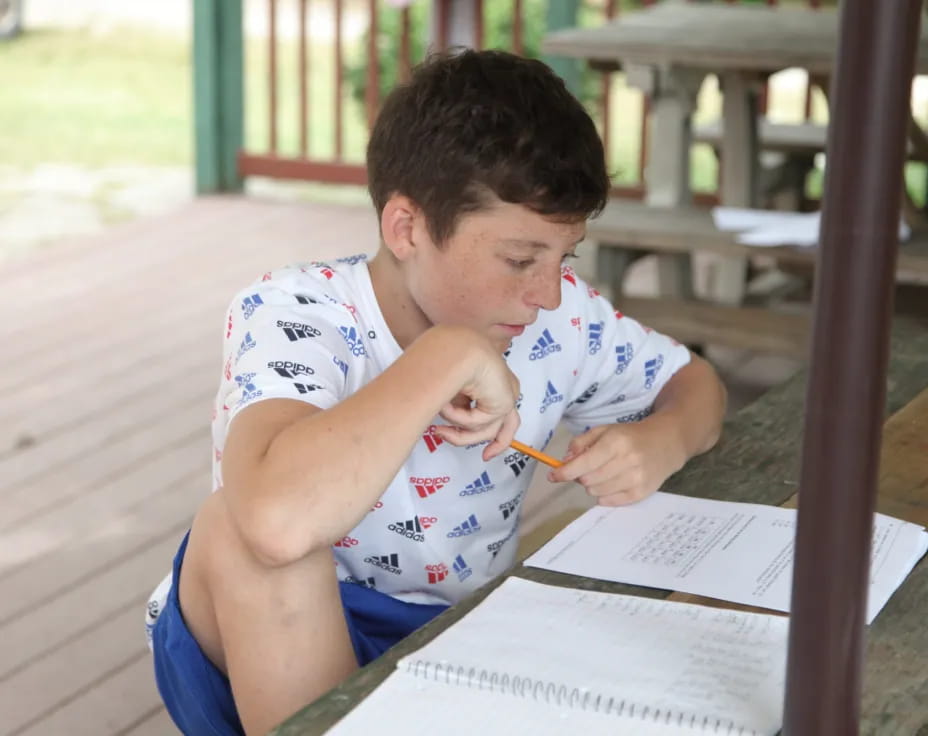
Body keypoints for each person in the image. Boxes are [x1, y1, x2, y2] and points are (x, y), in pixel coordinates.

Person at [147, 48, 727, 735]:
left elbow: (694, 383)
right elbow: (276, 522)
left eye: (562, 258)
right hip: (267, 640)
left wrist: (662, 440)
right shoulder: (294, 310)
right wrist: (449, 353)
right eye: (518, 260)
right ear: (406, 229)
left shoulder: (558, 317)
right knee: (237, 532)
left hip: (459, 634)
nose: (544, 293)